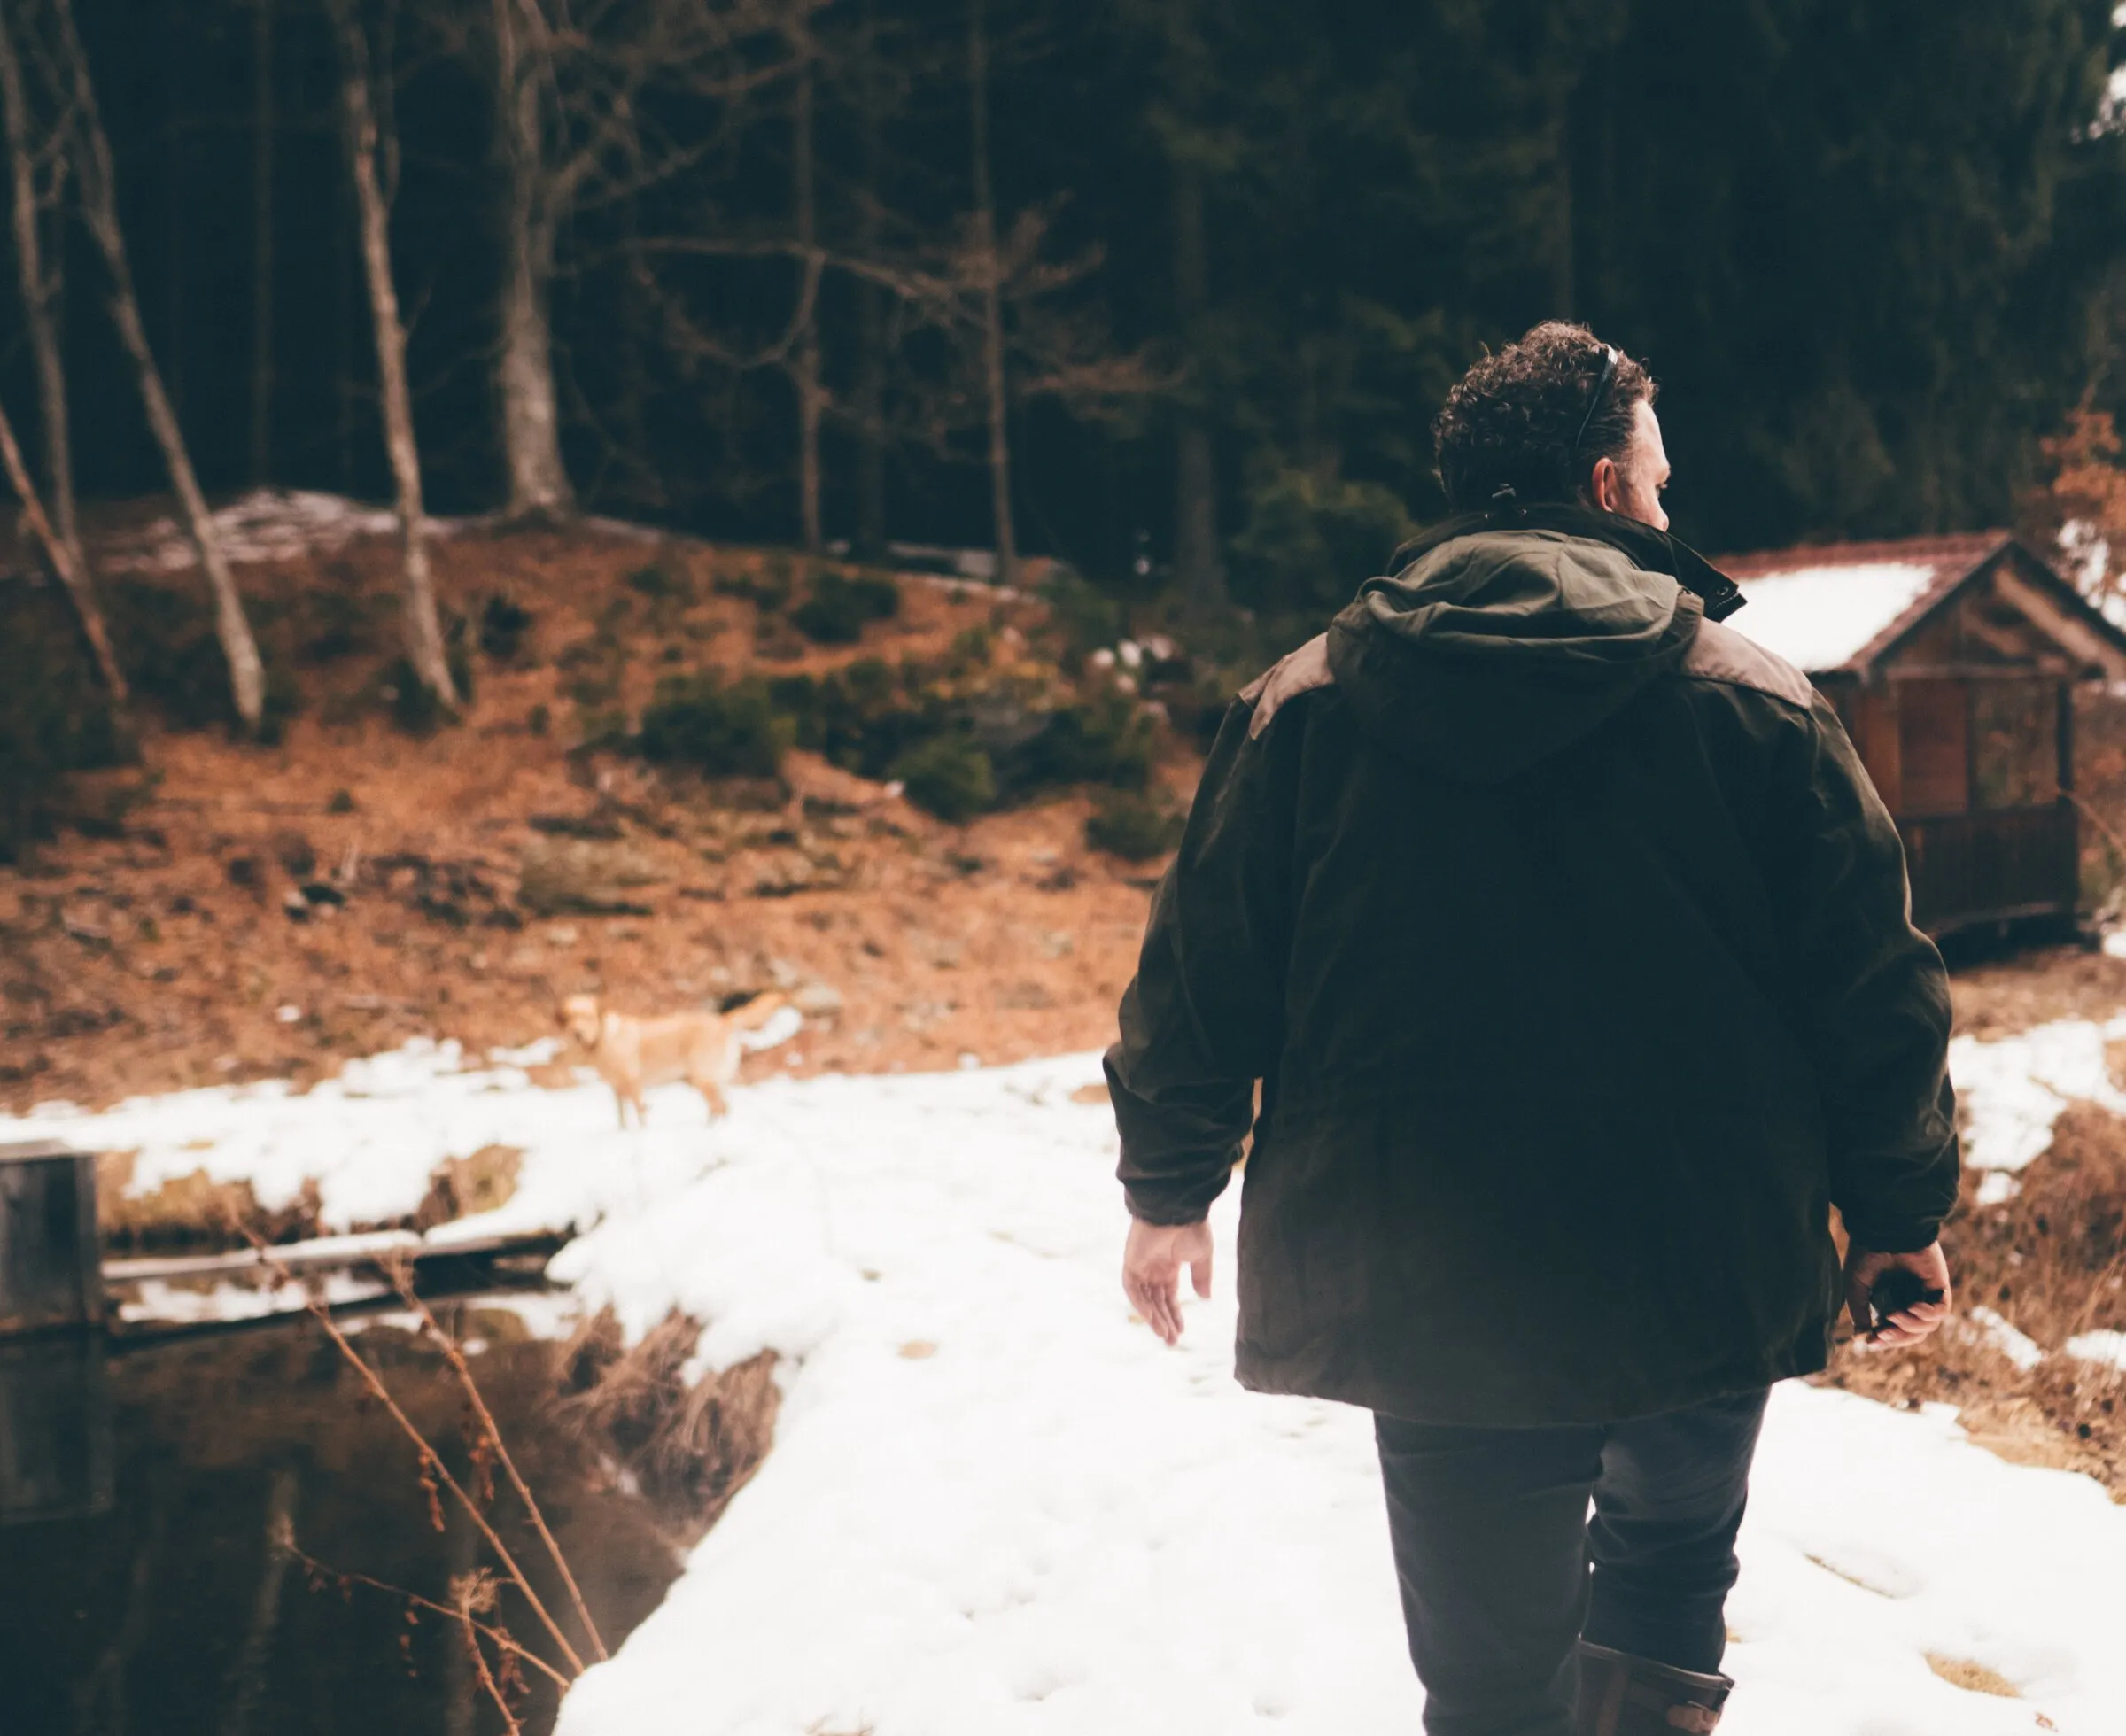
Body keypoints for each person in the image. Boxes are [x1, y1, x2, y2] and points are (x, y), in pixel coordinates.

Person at [1105, 321, 1958, 1736]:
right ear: (1609, 489)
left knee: (1487, 1680)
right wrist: (1895, 1213)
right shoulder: (1756, 707)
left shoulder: (1307, 702)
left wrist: (1166, 1190)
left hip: (1428, 1271)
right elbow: (1872, 985)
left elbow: (1203, 968)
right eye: (1664, 484)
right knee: (1669, 1571)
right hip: (1700, 1257)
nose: (1673, 510)